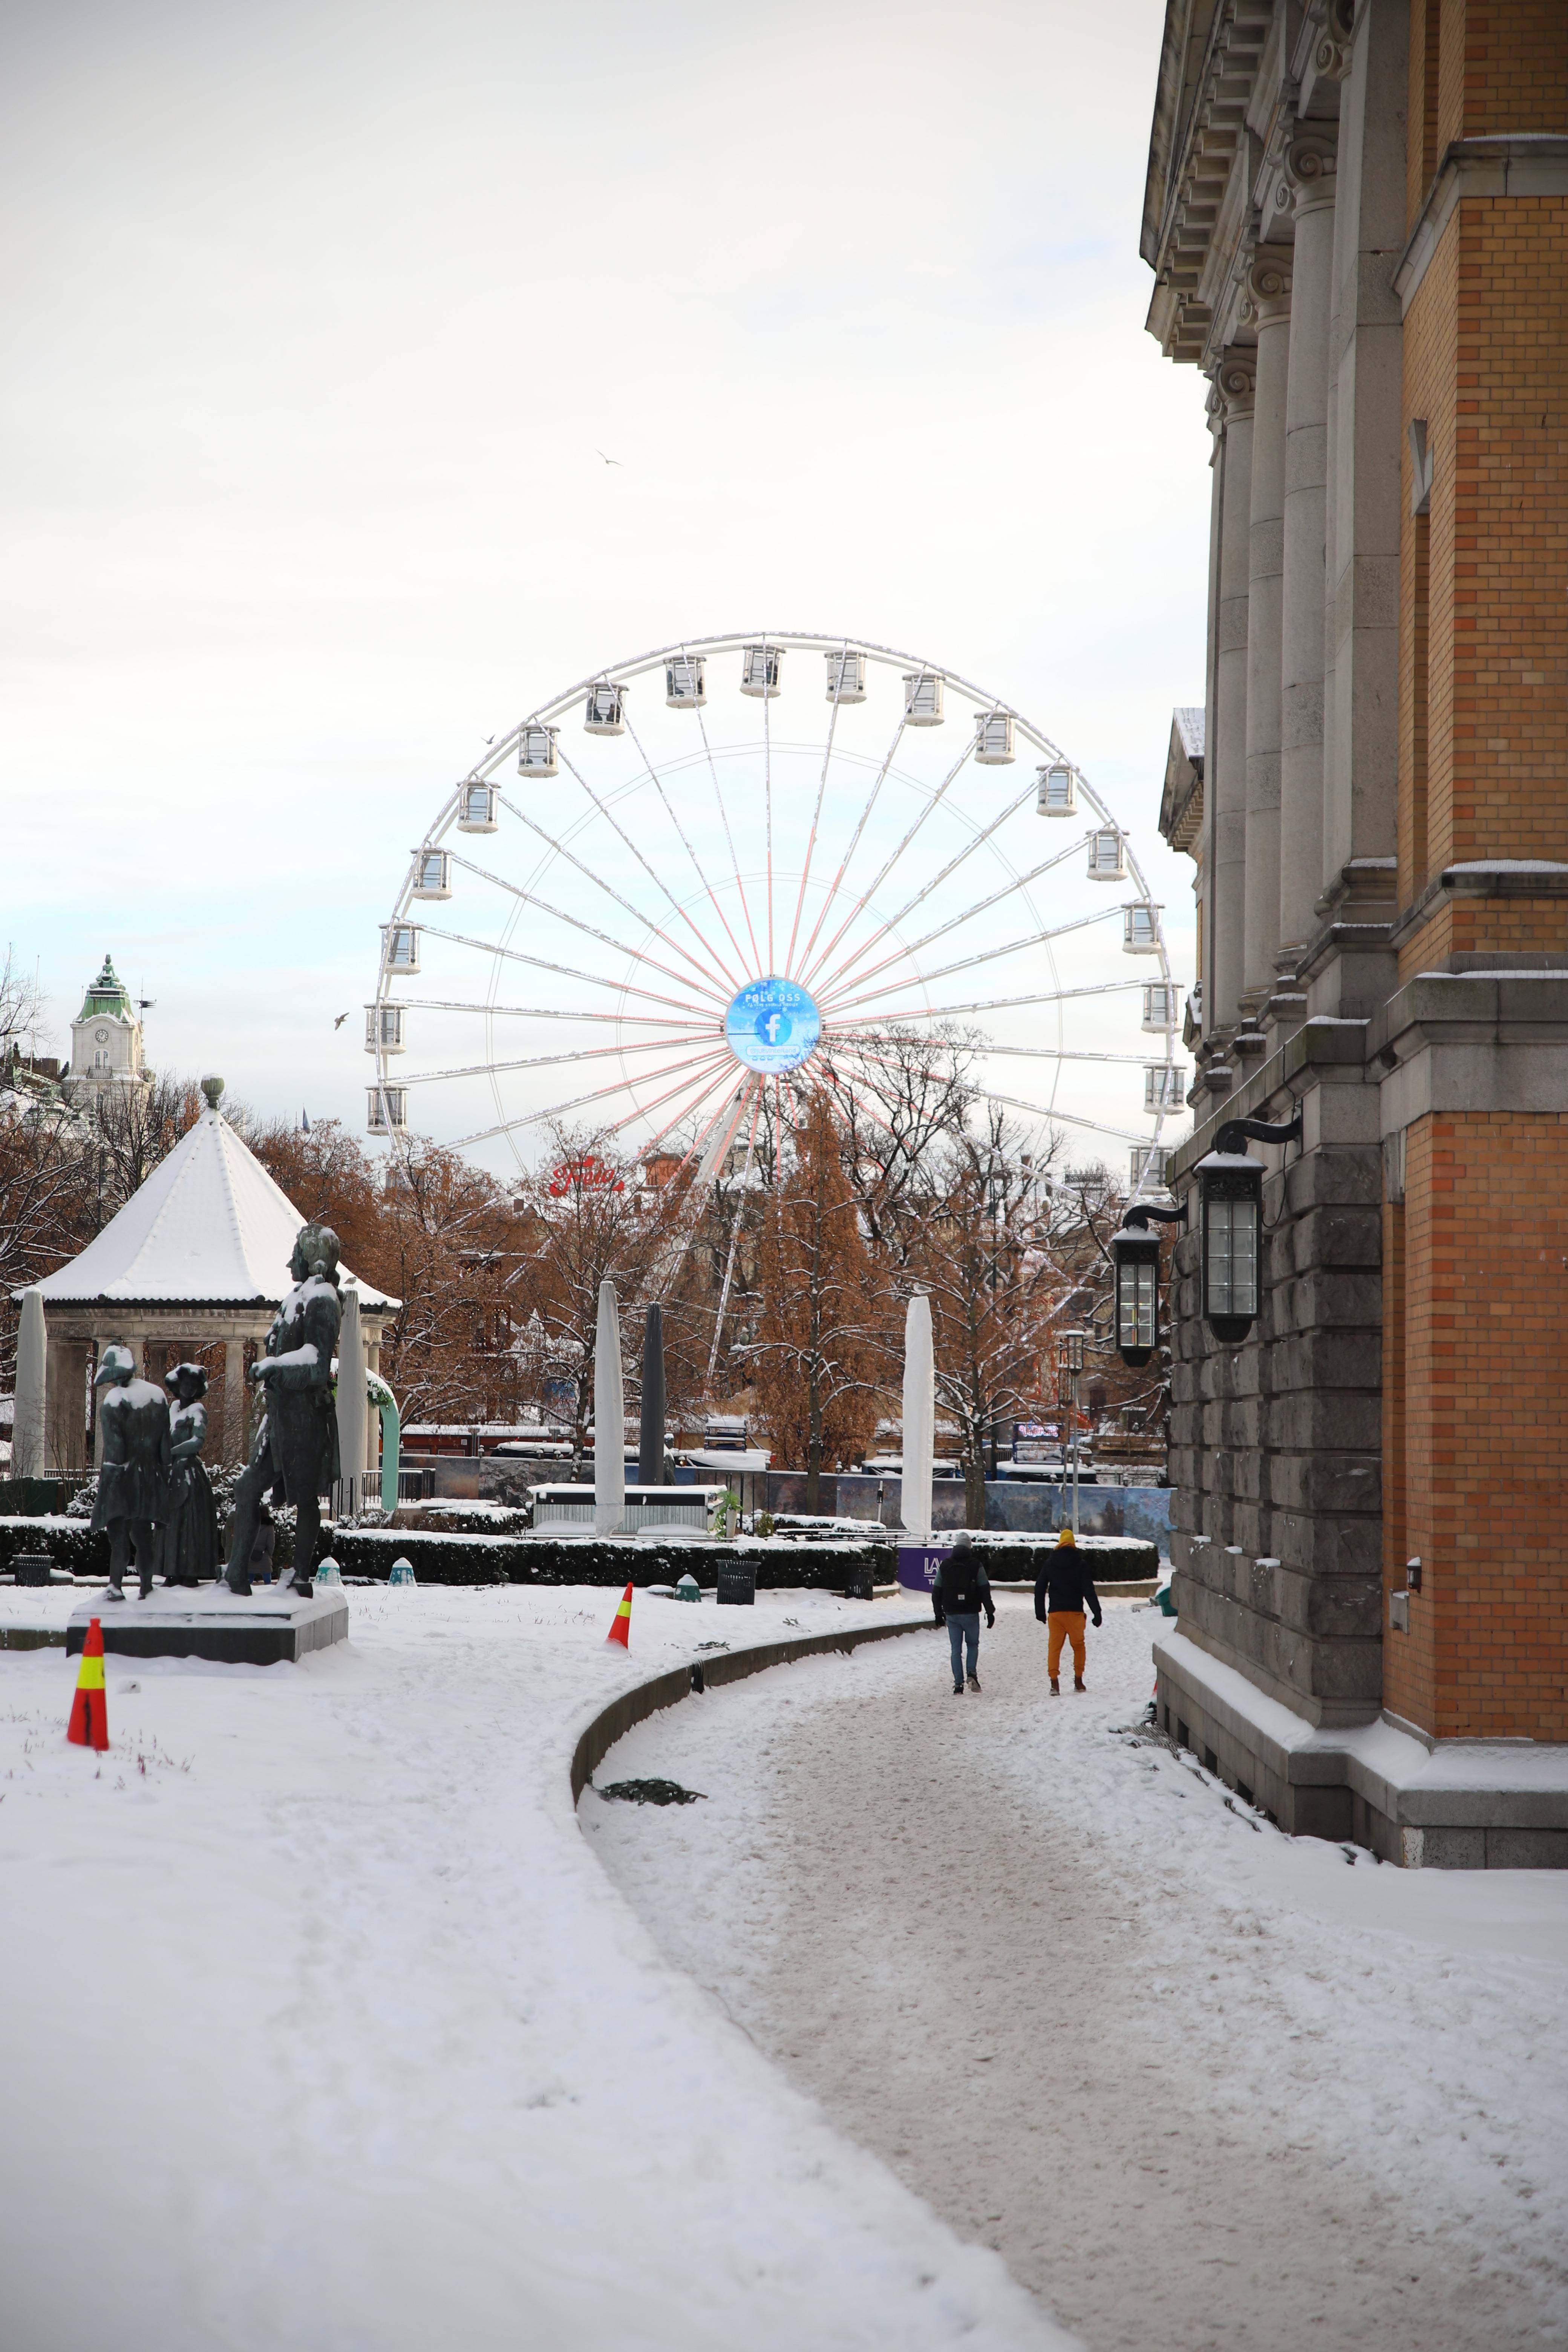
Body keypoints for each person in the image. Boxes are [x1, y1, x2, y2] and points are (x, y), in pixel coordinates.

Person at [1034, 1525, 1101, 1695]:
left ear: (1060, 1544)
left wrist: (1040, 1612)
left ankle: (1054, 1684)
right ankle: (1079, 1681)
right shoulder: (1081, 1564)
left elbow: (1040, 1588)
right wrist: (1097, 1612)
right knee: (1079, 1646)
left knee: (1054, 1648)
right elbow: (1089, 1590)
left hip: (1056, 1613)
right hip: (1075, 1613)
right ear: (1073, 1544)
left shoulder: (1050, 1564)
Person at [932, 1530, 995, 1695]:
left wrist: (938, 1614)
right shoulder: (976, 1565)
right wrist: (990, 1612)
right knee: (973, 1644)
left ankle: (958, 1684)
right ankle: (972, 1674)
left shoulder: (945, 1565)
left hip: (952, 1613)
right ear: (970, 1547)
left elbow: (937, 1591)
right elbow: (984, 1590)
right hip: (971, 1612)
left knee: (956, 1649)